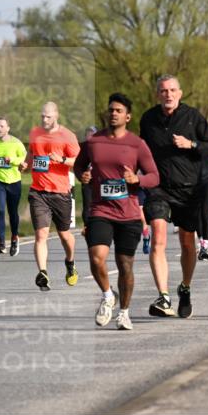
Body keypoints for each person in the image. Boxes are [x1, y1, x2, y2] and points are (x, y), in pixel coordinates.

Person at [74, 93, 160, 330]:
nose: (113, 113)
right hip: (101, 210)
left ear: (128, 116)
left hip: (128, 213)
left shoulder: (137, 144)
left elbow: (154, 176)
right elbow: (79, 164)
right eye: (111, 110)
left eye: (119, 110)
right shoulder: (94, 142)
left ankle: (124, 312)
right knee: (96, 257)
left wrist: (137, 179)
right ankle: (107, 295)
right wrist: (82, 175)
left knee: (125, 265)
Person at [139, 74, 208, 319]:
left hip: (188, 188)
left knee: (187, 242)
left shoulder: (193, 116)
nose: (168, 94)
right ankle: (163, 297)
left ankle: (185, 287)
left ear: (180, 93)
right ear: (157, 94)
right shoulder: (148, 119)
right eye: (163, 91)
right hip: (158, 188)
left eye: (172, 90)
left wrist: (192, 144)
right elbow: (140, 151)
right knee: (158, 238)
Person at [20, 102, 80, 291]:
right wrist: (25, 164)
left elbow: (78, 161)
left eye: (47, 116)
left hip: (61, 193)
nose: (44, 120)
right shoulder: (35, 133)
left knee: (64, 235)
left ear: (56, 116)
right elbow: (32, 153)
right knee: (41, 234)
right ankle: (43, 273)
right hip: (38, 192)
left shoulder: (67, 136)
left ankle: (70, 263)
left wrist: (61, 159)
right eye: (42, 116)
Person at [0, 116, 26, 255]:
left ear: (8, 128)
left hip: (14, 181)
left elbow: (23, 158)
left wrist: (13, 160)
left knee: (13, 212)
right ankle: (2, 243)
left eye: (2, 126)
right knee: (0, 210)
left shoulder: (17, 143)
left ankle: (14, 237)